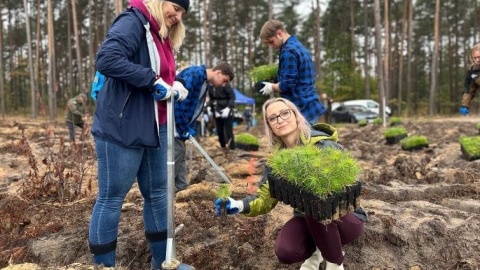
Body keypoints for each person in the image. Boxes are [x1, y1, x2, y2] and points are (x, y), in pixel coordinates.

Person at [88, 0, 194, 269]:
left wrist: (176, 82)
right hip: (122, 125)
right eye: (176, 7)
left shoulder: (162, 35)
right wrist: (150, 80)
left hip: (156, 125)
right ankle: (103, 266)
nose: (178, 16)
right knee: (112, 197)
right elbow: (107, 59)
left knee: (158, 193)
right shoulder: (133, 22)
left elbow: (163, 73)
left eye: (183, 12)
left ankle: (163, 261)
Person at [214, 97, 367, 270]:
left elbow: (348, 185)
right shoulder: (277, 161)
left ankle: (335, 263)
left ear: (295, 115)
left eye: (284, 113)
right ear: (269, 125)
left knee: (316, 204)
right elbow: (265, 199)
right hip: (308, 218)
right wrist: (239, 205)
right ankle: (317, 251)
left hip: (344, 218)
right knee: (287, 251)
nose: (280, 120)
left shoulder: (323, 145)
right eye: (272, 118)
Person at [174, 62, 235, 191]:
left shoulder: (204, 81)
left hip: (182, 123)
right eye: (224, 80)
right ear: (218, 72)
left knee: (181, 152)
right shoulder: (195, 74)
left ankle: (182, 187)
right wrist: (182, 126)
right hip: (174, 122)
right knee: (176, 152)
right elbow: (179, 102)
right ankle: (163, 188)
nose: (223, 85)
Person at [258, 19, 326, 125]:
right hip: (309, 104)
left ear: (279, 33)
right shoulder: (298, 45)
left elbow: (287, 84)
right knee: (310, 140)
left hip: (301, 108)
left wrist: (271, 87)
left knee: (302, 141)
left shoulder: (288, 51)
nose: (271, 46)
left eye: (271, 41)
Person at [208, 82, 236, 150]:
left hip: (226, 110)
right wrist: (210, 108)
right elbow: (211, 98)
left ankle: (232, 147)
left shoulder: (225, 84)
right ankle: (223, 147)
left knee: (228, 130)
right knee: (219, 131)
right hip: (216, 110)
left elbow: (232, 97)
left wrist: (229, 107)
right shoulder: (210, 86)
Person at [460, 43, 480, 116]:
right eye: (475, 57)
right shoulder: (473, 71)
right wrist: (465, 105)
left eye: (479, 57)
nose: (477, 60)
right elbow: (469, 89)